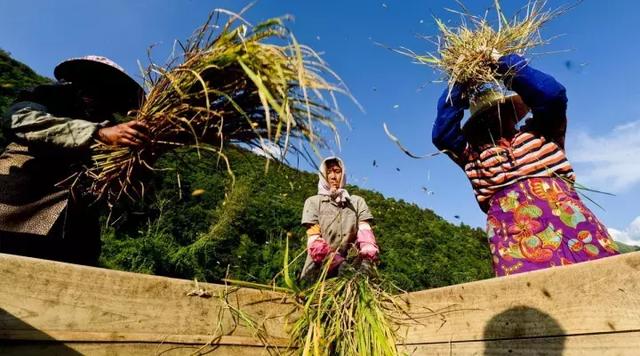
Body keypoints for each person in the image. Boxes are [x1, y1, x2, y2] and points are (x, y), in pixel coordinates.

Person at [432, 53, 619, 277]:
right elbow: (442, 134)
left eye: (500, 111)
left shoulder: (542, 132)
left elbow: (552, 95)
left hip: (574, 229)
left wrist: (503, 63)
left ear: (512, 113)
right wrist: (460, 81)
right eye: (486, 116)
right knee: (534, 295)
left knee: (604, 278)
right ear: (476, 125)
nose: (494, 117)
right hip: (516, 242)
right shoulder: (474, 156)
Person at [0, 55, 148, 265]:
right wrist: (97, 134)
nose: (97, 91)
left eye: (108, 88)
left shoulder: (116, 131)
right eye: (91, 81)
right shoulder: (45, 97)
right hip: (15, 206)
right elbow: (19, 122)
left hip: (72, 234)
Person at [300, 156, 379, 280]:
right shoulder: (313, 203)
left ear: (343, 174)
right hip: (317, 273)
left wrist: (367, 259)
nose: (333, 176)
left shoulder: (357, 202)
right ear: (322, 175)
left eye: (337, 171)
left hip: (351, 273)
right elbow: (314, 241)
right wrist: (338, 263)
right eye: (328, 172)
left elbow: (365, 233)